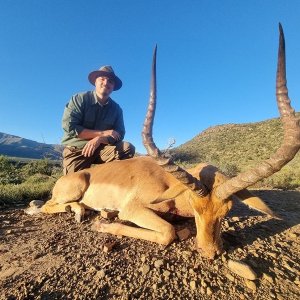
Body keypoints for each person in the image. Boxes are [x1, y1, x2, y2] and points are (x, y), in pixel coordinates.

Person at [61, 65, 135, 175]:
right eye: (102, 79)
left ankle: (109, 179)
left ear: (113, 86)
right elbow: (70, 127)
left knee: (127, 148)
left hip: (102, 149)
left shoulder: (117, 109)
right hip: (77, 150)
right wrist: (102, 133)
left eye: (110, 81)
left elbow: (119, 133)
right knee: (71, 187)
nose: (106, 83)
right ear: (95, 82)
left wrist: (100, 139)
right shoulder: (80, 98)